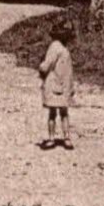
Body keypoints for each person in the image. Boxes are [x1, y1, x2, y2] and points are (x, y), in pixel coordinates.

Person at [38, 18, 75, 149]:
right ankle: (56, 138)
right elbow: (47, 64)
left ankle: (62, 137)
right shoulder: (56, 47)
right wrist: (42, 68)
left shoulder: (60, 47)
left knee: (60, 112)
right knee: (57, 112)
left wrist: (70, 85)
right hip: (55, 84)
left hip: (62, 84)